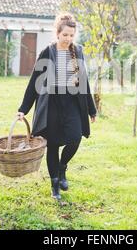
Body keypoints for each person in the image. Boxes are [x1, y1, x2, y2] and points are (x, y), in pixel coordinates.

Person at [17, 13, 97, 201]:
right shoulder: (48, 52)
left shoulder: (78, 51)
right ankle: (55, 185)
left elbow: (84, 82)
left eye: (71, 35)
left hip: (72, 105)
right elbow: (34, 82)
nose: (68, 39)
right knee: (52, 145)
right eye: (65, 35)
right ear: (58, 34)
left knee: (75, 138)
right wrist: (23, 108)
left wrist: (91, 109)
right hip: (51, 106)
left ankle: (62, 168)